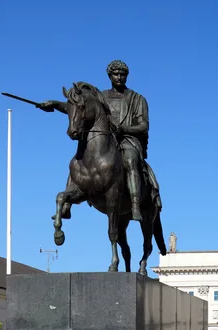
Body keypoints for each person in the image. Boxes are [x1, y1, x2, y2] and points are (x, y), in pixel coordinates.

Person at [39, 60, 152, 221]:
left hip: (127, 139)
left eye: (122, 74)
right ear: (109, 76)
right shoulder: (101, 97)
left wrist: (124, 129)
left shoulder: (137, 99)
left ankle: (135, 205)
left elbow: (143, 126)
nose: (119, 77)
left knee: (130, 159)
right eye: (115, 74)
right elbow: (77, 107)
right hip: (105, 139)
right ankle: (67, 205)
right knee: (79, 160)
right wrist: (55, 104)